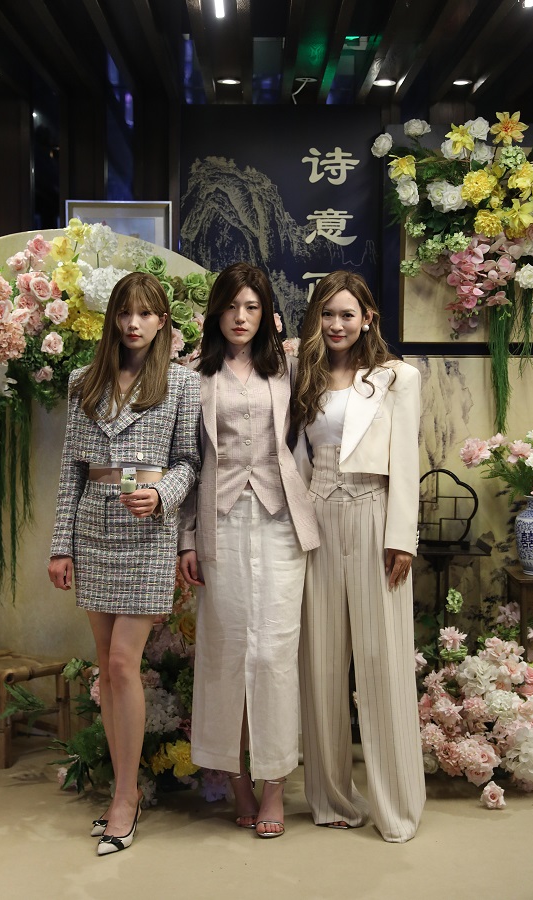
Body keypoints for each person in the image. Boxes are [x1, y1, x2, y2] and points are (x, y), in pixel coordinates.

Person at [48, 271, 200, 856]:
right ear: (113, 319)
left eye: (145, 314)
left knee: (121, 661)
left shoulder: (181, 383)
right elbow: (71, 471)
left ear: (162, 321)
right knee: (107, 669)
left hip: (146, 530)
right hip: (94, 527)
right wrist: (60, 546)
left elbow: (189, 462)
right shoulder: (83, 380)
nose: (133, 324)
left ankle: (125, 798)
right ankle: (123, 787)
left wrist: (161, 494)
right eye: (124, 313)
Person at [178, 262, 319, 839]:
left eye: (253, 307)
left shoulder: (289, 367)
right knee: (227, 650)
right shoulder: (193, 375)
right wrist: (187, 538)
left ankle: (274, 784)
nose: (241, 317)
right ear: (216, 311)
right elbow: (187, 462)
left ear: (268, 314)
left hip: (281, 521)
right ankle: (236, 778)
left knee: (275, 654)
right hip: (221, 521)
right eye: (232, 306)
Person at [291, 269, 425, 843]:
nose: (336, 324)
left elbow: (407, 463)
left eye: (347, 314)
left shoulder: (397, 377)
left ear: (368, 318)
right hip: (315, 520)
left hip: (375, 517)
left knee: (383, 663)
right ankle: (332, 798)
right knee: (320, 664)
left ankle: (396, 806)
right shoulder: (302, 374)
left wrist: (402, 538)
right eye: (327, 313)